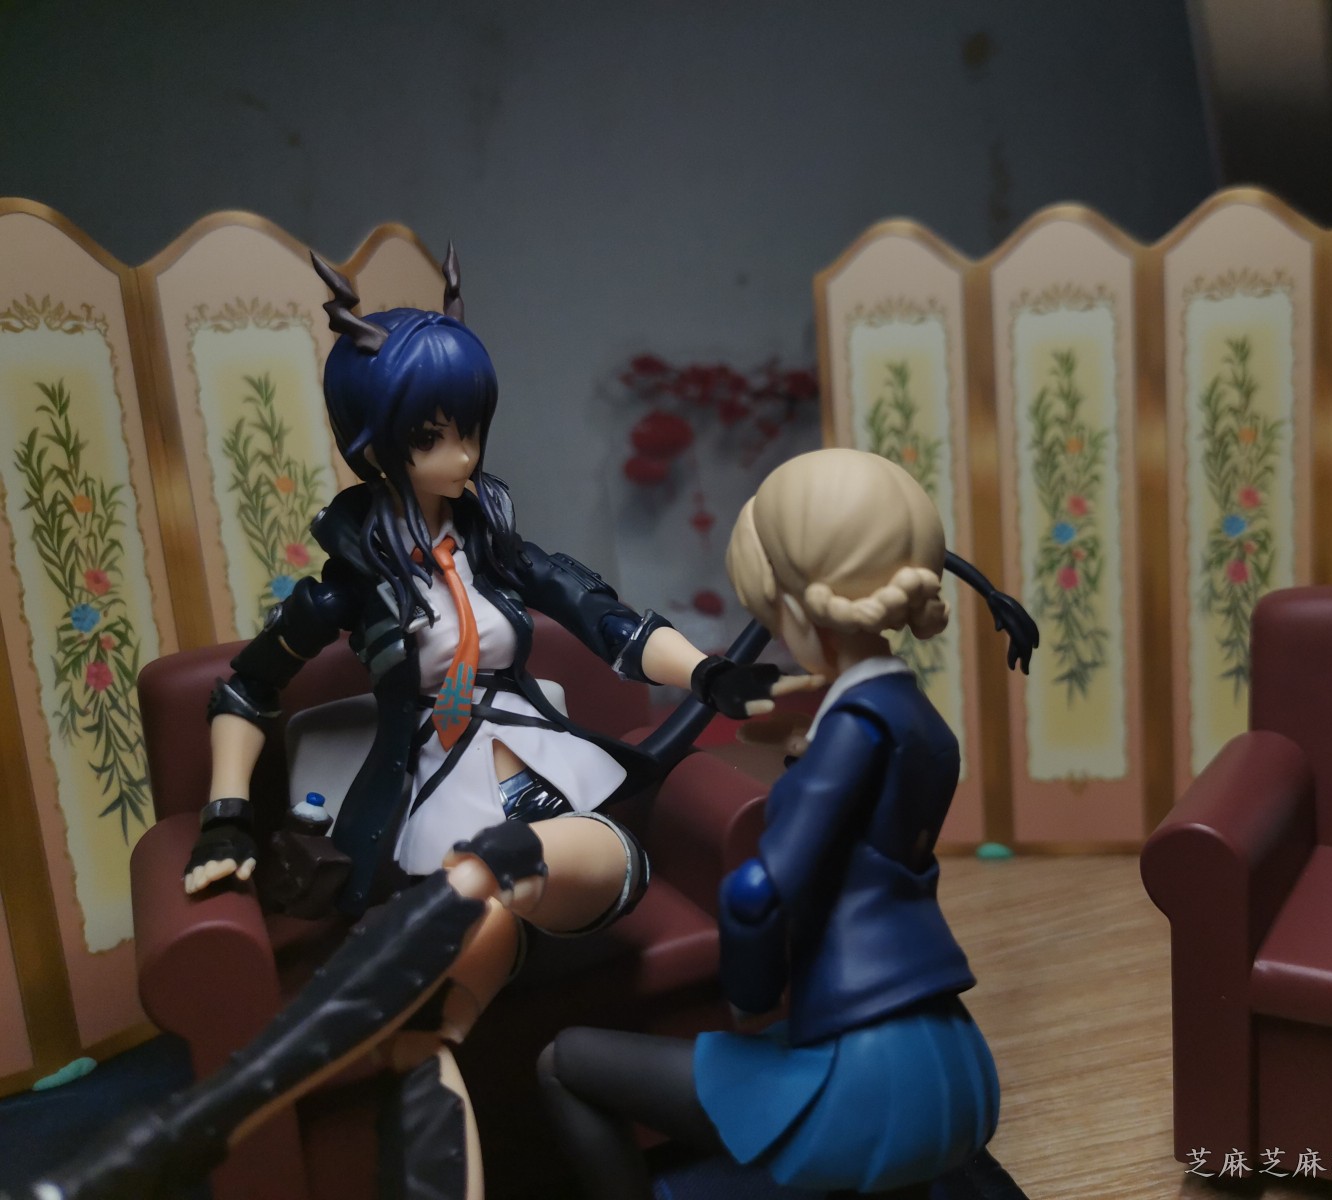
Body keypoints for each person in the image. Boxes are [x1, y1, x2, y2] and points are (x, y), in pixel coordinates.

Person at [22, 249, 794, 1200]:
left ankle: (223, 1108)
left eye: (470, 428)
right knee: (437, 1018)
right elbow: (246, 690)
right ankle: (402, 1071)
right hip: (434, 806)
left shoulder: (495, 545)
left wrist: (706, 673)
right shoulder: (352, 582)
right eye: (434, 435)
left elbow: (608, 622)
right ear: (376, 440)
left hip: (551, 811)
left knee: (516, 867)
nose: (462, 455)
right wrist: (225, 815)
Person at [537, 448, 1009, 1199]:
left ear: (795, 607)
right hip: (952, 1054)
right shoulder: (923, 723)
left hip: (864, 1075)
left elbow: (759, 892)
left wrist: (751, 1004)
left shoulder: (854, 728)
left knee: (564, 1063)